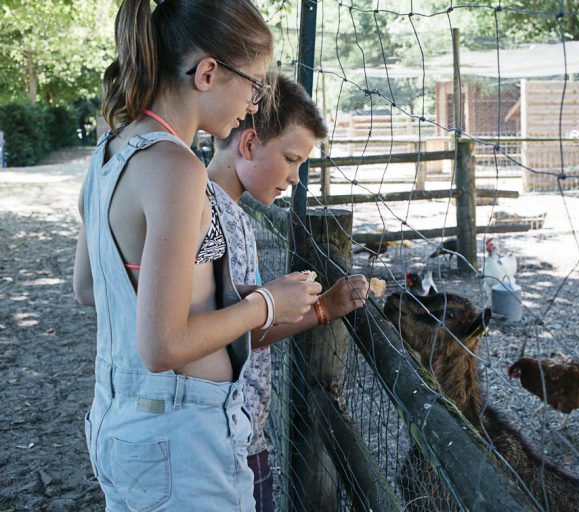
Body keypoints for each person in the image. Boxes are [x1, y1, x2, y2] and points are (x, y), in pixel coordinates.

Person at [71, 1, 324, 509]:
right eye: (254, 85)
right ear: (208, 72)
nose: (253, 105)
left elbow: (89, 286)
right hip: (182, 443)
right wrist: (267, 304)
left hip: (123, 421)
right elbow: (162, 346)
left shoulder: (112, 149)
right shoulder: (176, 168)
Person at [206, 72, 369, 510]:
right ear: (249, 143)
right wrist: (319, 310)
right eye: (292, 159)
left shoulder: (226, 212)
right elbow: (232, 331)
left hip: (235, 431)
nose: (296, 178)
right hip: (227, 443)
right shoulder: (217, 220)